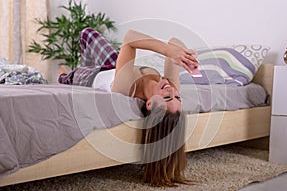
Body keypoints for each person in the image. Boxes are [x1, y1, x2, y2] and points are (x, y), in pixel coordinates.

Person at [58, 27, 199, 186]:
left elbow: (130, 37)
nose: (172, 91)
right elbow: (175, 41)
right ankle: (79, 64)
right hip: (115, 63)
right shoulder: (169, 88)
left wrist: (167, 50)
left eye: (168, 97)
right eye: (178, 96)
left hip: (90, 77)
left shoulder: (126, 89)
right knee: (86, 33)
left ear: (150, 104)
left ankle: (63, 74)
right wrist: (186, 55)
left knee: (65, 77)